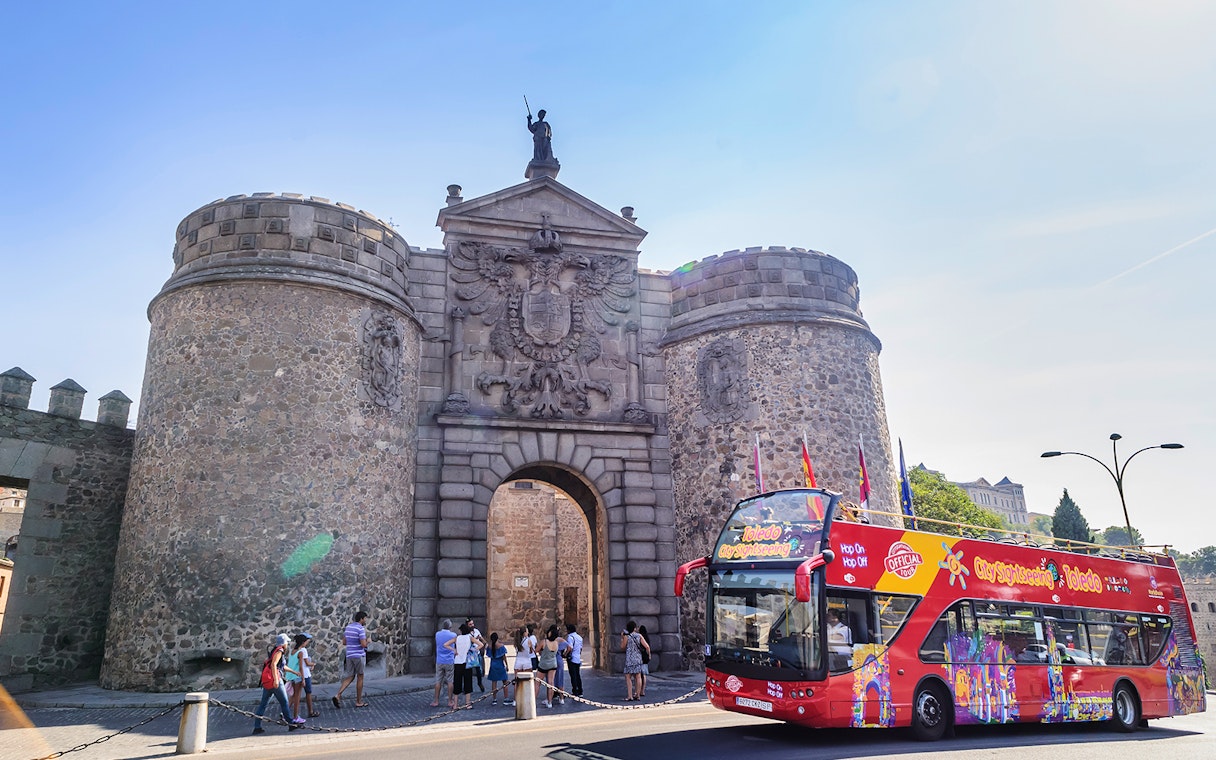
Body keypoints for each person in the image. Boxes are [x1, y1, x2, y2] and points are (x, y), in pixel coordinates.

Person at [253, 633, 305, 734]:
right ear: (284, 643)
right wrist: (276, 680)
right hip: (275, 681)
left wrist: (294, 672)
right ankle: (291, 724)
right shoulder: (280, 651)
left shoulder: (274, 650)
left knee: (263, 704)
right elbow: (274, 665)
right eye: (287, 642)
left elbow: (280, 666)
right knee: (284, 703)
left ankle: (257, 726)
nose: (288, 644)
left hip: (268, 681)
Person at [333, 611, 370, 709]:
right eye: (365, 618)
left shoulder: (348, 627)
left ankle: (338, 695)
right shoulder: (360, 629)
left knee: (350, 676)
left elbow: (344, 642)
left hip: (349, 655)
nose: (365, 620)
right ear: (361, 619)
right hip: (359, 655)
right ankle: (358, 701)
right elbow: (363, 645)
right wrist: (368, 642)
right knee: (360, 677)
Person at [445, 622, 478, 708]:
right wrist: (472, 651)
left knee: (457, 683)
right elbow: (481, 644)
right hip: (467, 662)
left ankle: (455, 704)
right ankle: (468, 704)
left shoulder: (457, 638)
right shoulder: (470, 637)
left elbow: (446, 644)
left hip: (458, 662)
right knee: (468, 682)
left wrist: (454, 650)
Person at [536, 624, 568, 708]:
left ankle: (533, 701)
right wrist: (565, 654)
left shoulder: (544, 642)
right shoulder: (557, 642)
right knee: (552, 683)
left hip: (544, 664)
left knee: (537, 683)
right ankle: (551, 702)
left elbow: (536, 651)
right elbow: (568, 646)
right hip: (554, 663)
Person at [621, 620, 650, 701]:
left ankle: (630, 695)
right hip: (638, 658)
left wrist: (622, 638)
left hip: (629, 659)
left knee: (628, 677)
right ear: (634, 628)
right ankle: (638, 694)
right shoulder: (639, 636)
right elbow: (647, 646)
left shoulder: (627, 637)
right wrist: (648, 655)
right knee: (638, 676)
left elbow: (622, 647)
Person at [432, 619, 457, 708]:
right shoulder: (453, 635)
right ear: (450, 627)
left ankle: (436, 701)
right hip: (449, 660)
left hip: (439, 660)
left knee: (438, 681)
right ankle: (450, 701)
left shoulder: (437, 634)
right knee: (450, 681)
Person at [294, 633, 319, 717]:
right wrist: (313, 664)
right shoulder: (303, 650)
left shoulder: (294, 650)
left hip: (296, 674)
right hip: (305, 674)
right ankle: (310, 711)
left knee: (295, 695)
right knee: (308, 693)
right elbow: (306, 663)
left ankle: (286, 713)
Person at [283, 635, 305, 720]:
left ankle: (285, 715)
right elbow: (300, 667)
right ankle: (296, 717)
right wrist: (303, 679)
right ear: (302, 643)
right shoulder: (300, 652)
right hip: (297, 676)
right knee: (297, 698)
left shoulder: (292, 651)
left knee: (292, 697)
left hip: (291, 676)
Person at [486, 631, 511, 705]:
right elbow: (504, 657)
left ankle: (494, 699)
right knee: (505, 682)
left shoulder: (489, 647)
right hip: (500, 665)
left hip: (493, 665)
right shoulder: (501, 646)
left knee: (494, 683)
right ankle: (506, 698)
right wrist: (507, 665)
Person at [465, 617, 487, 692]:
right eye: (470, 624)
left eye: (472, 623)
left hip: (477, 654)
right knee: (468, 672)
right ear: (467, 625)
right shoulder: (466, 633)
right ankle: (468, 687)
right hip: (469, 655)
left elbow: (481, 639)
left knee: (479, 671)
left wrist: (484, 644)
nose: (472, 625)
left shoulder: (476, 631)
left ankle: (480, 683)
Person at [565, 623, 584, 697]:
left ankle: (575, 691)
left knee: (573, 675)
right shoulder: (579, 637)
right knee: (578, 675)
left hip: (572, 658)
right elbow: (581, 648)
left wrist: (565, 654)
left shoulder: (570, 637)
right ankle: (580, 691)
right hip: (578, 658)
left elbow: (570, 648)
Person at [637, 624, 652, 698]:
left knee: (639, 675)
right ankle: (642, 690)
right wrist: (649, 655)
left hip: (640, 656)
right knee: (644, 674)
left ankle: (639, 691)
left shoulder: (640, 637)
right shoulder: (647, 638)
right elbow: (648, 647)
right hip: (645, 657)